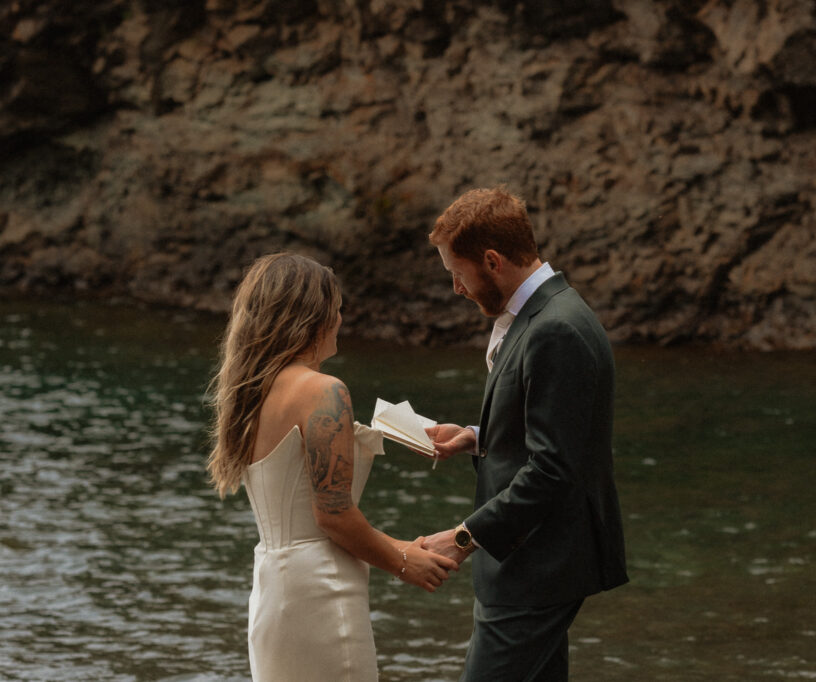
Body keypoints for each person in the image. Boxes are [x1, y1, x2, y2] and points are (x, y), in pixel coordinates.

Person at [207, 252, 458, 681]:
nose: (341, 318)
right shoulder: (323, 391)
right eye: (337, 307)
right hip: (321, 591)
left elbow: (305, 518)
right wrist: (403, 563)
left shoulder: (247, 394)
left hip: (272, 586)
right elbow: (332, 516)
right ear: (314, 316)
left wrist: (404, 544)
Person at [421, 188, 629, 681]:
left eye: (457, 272)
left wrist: (464, 537)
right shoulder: (543, 313)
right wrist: (477, 434)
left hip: (538, 566)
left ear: (491, 261)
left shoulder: (555, 329)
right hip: (536, 562)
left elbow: (554, 469)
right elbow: (554, 432)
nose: (456, 287)